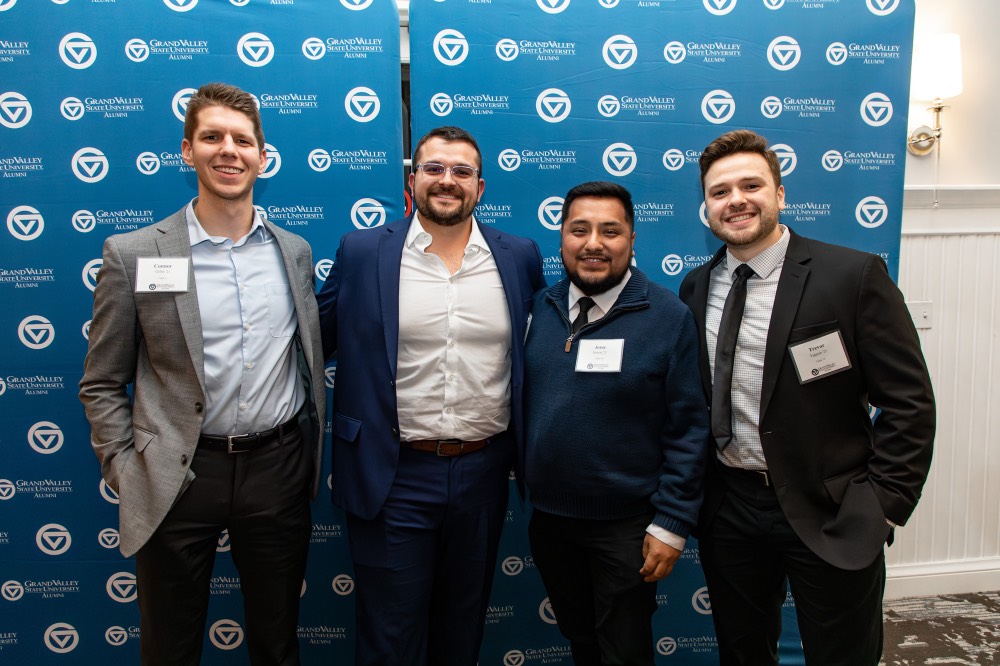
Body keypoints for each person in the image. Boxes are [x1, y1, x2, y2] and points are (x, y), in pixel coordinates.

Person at [79, 82, 325, 665]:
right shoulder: (135, 252)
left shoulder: (294, 252)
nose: (228, 150)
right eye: (212, 137)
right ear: (187, 150)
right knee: (169, 646)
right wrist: (126, 466)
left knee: (276, 641)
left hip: (276, 469)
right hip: (178, 475)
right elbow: (101, 380)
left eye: (243, 140)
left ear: (263, 157)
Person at [678, 129, 935, 665]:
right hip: (731, 509)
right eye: (720, 192)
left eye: (751, 185)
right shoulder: (696, 287)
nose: (736, 200)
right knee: (743, 652)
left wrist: (882, 505)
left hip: (834, 508)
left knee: (842, 655)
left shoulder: (852, 275)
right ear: (706, 207)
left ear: (780, 194)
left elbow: (909, 402)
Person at [316, 125, 545, 666]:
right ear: (411, 180)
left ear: (480, 187)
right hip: (390, 472)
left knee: (462, 628)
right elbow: (311, 341)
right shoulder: (362, 251)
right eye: (435, 169)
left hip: (483, 473)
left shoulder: (518, 257)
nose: (448, 181)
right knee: (389, 635)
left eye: (462, 171)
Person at [524, 181, 710, 665]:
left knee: (623, 652)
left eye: (610, 231)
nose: (593, 244)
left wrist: (671, 524)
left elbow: (689, 428)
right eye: (579, 229)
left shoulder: (667, 317)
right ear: (561, 237)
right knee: (581, 641)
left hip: (627, 528)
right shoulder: (538, 310)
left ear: (631, 239)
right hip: (551, 522)